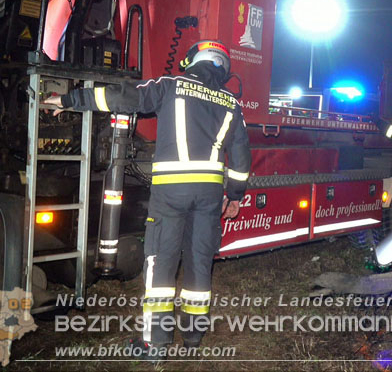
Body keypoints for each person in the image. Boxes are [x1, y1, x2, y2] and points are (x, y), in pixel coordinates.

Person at [45, 39, 251, 357]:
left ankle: (155, 343)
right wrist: (235, 195)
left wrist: (71, 99)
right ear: (223, 68)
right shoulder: (231, 104)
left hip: (171, 193)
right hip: (209, 196)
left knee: (161, 264)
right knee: (199, 264)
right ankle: (194, 337)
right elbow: (240, 157)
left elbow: (124, 97)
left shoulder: (171, 86)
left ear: (193, 61)